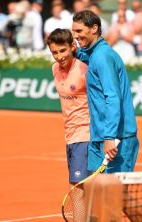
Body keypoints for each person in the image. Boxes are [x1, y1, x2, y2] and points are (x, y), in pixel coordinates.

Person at [72, 10, 142, 220]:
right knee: (96, 191)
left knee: (117, 197)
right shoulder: (97, 53)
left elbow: (113, 98)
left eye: (79, 31)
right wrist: (74, 52)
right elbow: (89, 57)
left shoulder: (102, 57)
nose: (76, 35)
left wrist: (109, 137)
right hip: (100, 135)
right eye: (73, 31)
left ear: (94, 29)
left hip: (116, 137)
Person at [47, 29, 90, 220]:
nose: (59, 57)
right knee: (86, 189)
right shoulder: (54, 69)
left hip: (85, 134)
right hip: (70, 136)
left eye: (63, 51)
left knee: (77, 188)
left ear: (73, 47)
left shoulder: (84, 70)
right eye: (55, 52)